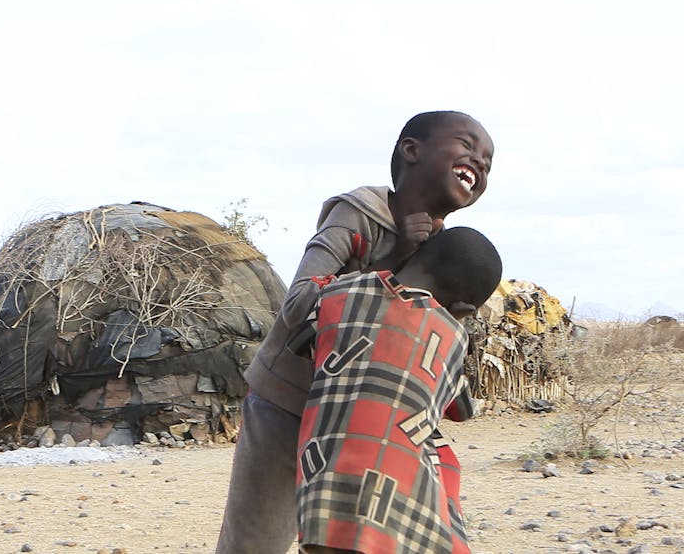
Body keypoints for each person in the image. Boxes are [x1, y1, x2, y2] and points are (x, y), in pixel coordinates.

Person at [215, 111, 495, 554]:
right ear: (412, 150)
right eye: (467, 146)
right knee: (255, 541)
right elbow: (298, 306)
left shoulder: (449, 253)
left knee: (358, 538)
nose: (478, 163)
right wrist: (395, 261)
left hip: (359, 420)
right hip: (287, 403)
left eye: (487, 162)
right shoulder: (360, 214)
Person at [294, 226, 503, 554]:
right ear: (463, 309)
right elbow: (460, 410)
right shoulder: (450, 336)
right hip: (394, 500)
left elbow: (299, 342)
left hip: (321, 483)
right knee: (442, 465)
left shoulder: (336, 293)